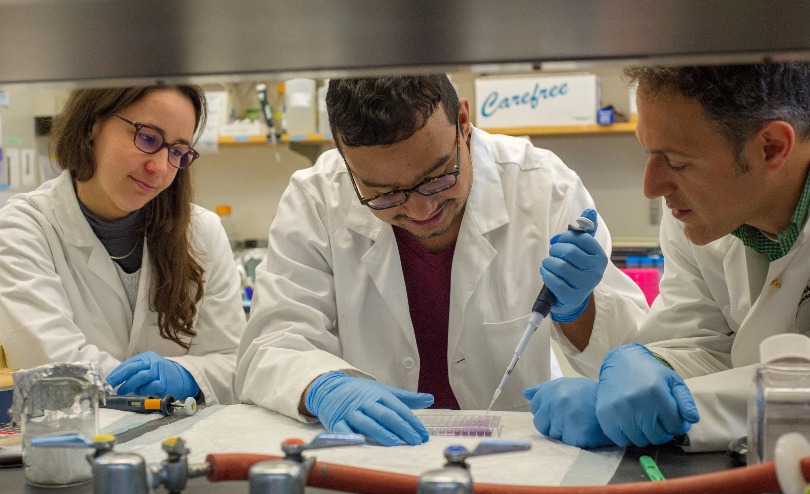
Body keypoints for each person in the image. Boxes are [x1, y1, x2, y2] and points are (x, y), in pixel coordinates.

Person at [236, 75, 647, 446]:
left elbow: (636, 358)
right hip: (372, 453)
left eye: (437, 177)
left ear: (464, 123)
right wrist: (327, 387)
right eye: (383, 193)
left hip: (515, 454)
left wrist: (580, 309)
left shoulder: (543, 185)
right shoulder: (316, 199)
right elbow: (271, 344)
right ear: (344, 158)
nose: (420, 209)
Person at [528, 62, 810, 452]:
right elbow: (699, 342)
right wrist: (650, 367)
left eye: (677, 162)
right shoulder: (698, 213)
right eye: (648, 154)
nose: (652, 187)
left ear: (772, 147)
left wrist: (679, 412)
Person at [0, 86, 246, 405]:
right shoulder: (24, 229)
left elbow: (234, 363)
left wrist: (185, 375)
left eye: (177, 152)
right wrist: (145, 393)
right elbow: (55, 366)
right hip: (74, 444)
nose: (159, 168)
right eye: (147, 138)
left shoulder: (201, 231)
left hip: (184, 445)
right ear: (92, 126)